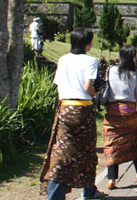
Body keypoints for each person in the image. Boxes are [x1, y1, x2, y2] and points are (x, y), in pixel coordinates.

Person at [40, 28, 106, 200]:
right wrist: (95, 94)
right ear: (88, 43)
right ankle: (88, 191)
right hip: (83, 109)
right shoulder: (90, 61)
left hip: (65, 108)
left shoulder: (63, 60)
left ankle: (56, 195)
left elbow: (58, 84)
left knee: (61, 153)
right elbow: (87, 87)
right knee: (86, 152)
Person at [103, 45, 137, 190]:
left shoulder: (110, 70)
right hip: (129, 112)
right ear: (132, 57)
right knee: (134, 141)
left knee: (112, 144)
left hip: (112, 113)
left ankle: (111, 179)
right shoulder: (135, 74)